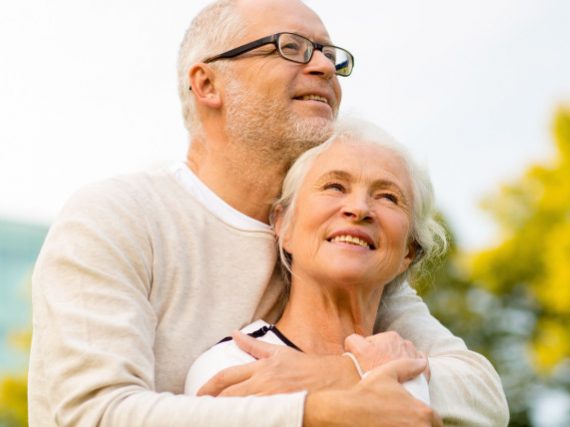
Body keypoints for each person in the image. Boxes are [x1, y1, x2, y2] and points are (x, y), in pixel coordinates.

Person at [27, 0, 509, 425]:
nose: (323, 66)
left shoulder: (334, 248)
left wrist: (339, 373)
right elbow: (93, 415)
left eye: (329, 54)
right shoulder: (118, 217)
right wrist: (319, 410)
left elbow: (481, 394)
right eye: (291, 47)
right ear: (208, 82)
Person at [184, 120, 441, 407]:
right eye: (335, 186)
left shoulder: (417, 368)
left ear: (409, 250)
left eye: (388, 197)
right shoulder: (236, 364)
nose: (358, 209)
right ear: (284, 224)